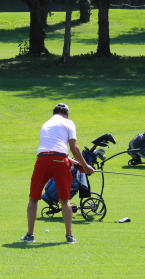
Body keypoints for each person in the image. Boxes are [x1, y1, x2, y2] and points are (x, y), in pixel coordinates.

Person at [21, 103, 95, 244]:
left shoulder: (46, 124)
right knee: (65, 200)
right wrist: (86, 167)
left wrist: (70, 160)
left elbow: (50, 148)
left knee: (33, 198)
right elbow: (74, 148)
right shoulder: (68, 122)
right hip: (59, 160)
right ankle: (69, 236)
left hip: (42, 159)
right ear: (66, 114)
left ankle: (30, 235)